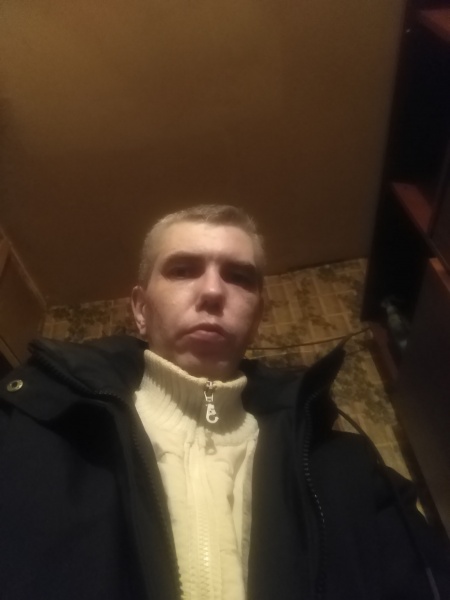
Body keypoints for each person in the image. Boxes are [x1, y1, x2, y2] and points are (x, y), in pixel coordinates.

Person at [0, 204, 449, 600]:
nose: (213, 292)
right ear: (140, 308)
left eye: (239, 277)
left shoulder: (351, 468)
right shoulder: (30, 424)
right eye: (183, 270)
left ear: (258, 315)